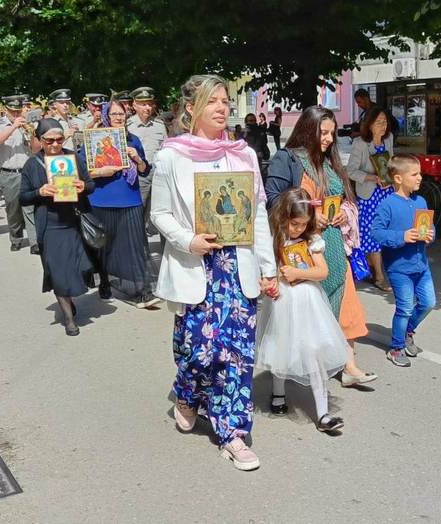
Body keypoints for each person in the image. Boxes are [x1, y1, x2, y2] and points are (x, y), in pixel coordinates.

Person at [151, 74, 277, 471]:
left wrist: (268, 268)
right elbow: (160, 213)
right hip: (196, 266)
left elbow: (256, 214)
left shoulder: (243, 155)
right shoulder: (172, 156)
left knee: (237, 355)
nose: (222, 108)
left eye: (225, 101)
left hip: (236, 269)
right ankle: (186, 394)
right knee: (198, 352)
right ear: (192, 109)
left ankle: (232, 434)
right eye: (212, 102)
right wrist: (188, 240)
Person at [265, 105, 378, 387]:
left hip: (335, 243)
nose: (328, 139)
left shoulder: (330, 164)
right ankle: (299, 370)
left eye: (331, 133)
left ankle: (348, 364)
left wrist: (343, 212)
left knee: (346, 300)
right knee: (307, 308)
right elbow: (272, 198)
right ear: (307, 130)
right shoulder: (287, 159)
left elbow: (344, 199)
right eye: (323, 132)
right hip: (302, 244)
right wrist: (307, 213)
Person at [256, 187, 348, 433]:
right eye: (294, 223)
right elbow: (266, 271)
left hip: (308, 300)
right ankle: (278, 393)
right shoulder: (273, 241)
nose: (297, 229)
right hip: (282, 301)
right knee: (281, 343)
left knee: (313, 349)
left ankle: (323, 412)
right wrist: (269, 282)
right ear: (282, 216)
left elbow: (322, 271)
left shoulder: (311, 241)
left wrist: (299, 273)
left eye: (303, 224)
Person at [20, 118, 96, 336]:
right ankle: (69, 318)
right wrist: (39, 192)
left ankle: (70, 299)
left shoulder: (73, 158)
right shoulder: (33, 164)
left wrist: (83, 186)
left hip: (73, 221)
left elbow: (90, 184)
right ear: (40, 140)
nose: (55, 145)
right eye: (49, 140)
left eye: (59, 139)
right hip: (51, 226)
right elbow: (22, 197)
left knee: (81, 268)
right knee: (59, 274)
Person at [80, 100, 157, 308]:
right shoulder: (94, 140)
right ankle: (105, 281)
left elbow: (144, 170)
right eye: (113, 114)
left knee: (134, 245)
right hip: (101, 199)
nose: (118, 117)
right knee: (105, 247)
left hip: (130, 200)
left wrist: (138, 159)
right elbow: (82, 170)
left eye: (121, 114)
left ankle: (140, 291)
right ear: (106, 116)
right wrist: (100, 172)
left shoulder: (133, 140)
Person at [371, 154, 436, 368]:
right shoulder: (388, 204)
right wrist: (402, 236)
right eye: (414, 174)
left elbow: (429, 225)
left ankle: (408, 331)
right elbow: (377, 233)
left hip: (421, 265)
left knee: (428, 303)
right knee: (405, 307)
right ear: (398, 178)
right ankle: (397, 347)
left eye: (420, 174)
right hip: (399, 268)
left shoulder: (421, 201)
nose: (420, 178)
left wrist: (430, 234)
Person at [347, 105, 395, 292]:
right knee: (372, 234)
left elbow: (390, 162)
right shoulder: (360, 143)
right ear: (370, 125)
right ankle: (379, 276)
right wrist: (372, 177)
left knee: (386, 230)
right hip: (369, 195)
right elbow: (351, 171)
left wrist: (389, 176)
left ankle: (378, 268)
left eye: (385, 122)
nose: (383, 126)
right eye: (379, 122)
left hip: (386, 192)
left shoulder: (388, 139)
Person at [0, 94, 40, 252]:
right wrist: (13, 127)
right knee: (13, 208)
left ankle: (34, 242)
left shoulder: (28, 125)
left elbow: (36, 149)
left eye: (19, 111)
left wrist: (30, 132)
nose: (17, 114)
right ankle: (16, 237)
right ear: (6, 110)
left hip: (27, 171)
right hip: (9, 172)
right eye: (13, 111)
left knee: (30, 207)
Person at [127, 87, 168, 233]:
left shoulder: (159, 125)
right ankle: (140, 246)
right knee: (138, 211)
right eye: (143, 104)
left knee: (159, 211)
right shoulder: (127, 126)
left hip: (157, 173)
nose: (147, 107)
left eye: (150, 104)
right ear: (134, 105)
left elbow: (166, 148)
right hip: (138, 174)